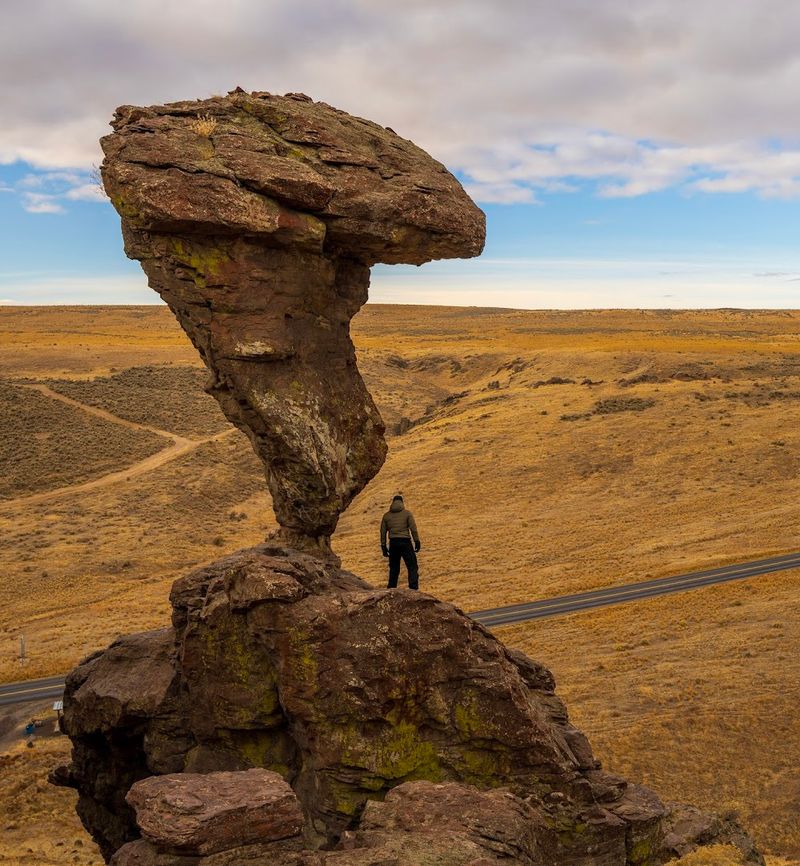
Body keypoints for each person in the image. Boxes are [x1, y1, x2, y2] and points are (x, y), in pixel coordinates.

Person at [380, 494, 421, 590]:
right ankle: (413, 588)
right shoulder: (407, 514)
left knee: (394, 568)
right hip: (405, 542)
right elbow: (413, 529)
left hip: (393, 543)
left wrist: (383, 546)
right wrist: (417, 541)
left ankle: (391, 588)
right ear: (402, 502)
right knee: (412, 566)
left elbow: (382, 532)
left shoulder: (386, 516)